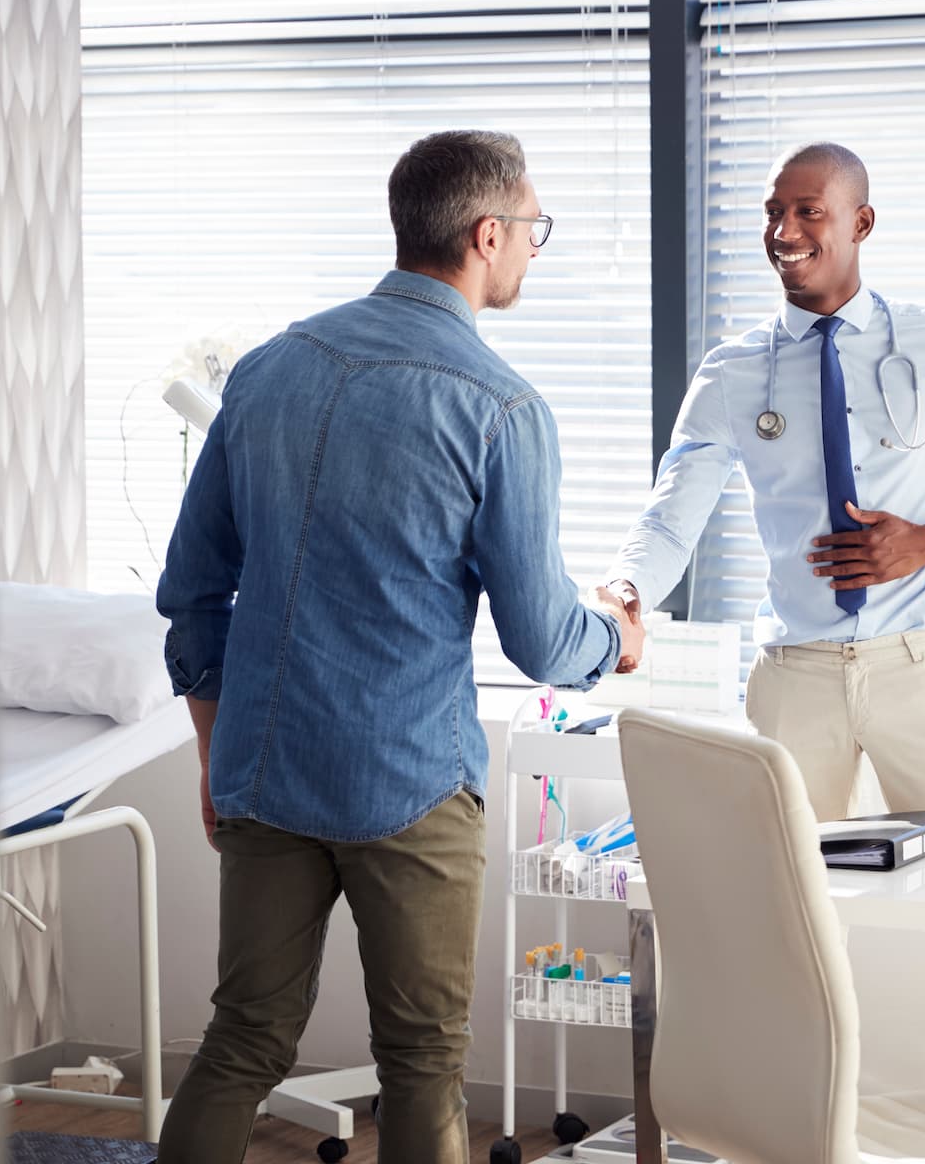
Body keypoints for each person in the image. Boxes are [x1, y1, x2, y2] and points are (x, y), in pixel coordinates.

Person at [154, 129, 643, 1163]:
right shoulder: (501, 406)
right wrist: (616, 635)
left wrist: (216, 752)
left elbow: (195, 597)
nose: (533, 250)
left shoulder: (270, 369)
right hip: (407, 784)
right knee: (422, 1058)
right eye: (533, 230)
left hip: (263, 771)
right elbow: (543, 642)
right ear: (486, 233)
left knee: (242, 1039)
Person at [603, 141, 925, 1122]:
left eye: (809, 211)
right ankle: (809, 1138)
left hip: (919, 671)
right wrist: (626, 587)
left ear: (861, 222)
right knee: (792, 941)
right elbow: (672, 511)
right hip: (797, 680)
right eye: (775, 212)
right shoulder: (736, 369)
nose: (784, 231)